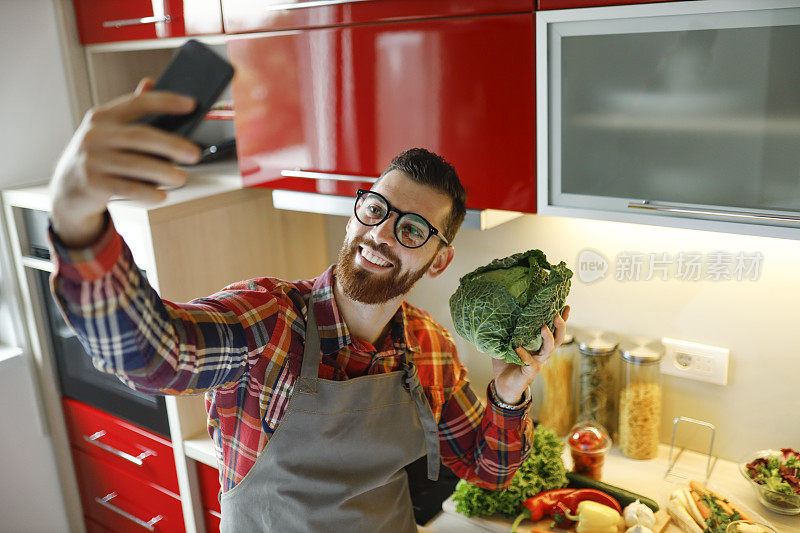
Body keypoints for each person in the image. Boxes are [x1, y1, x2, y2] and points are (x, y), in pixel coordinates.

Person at [48, 79, 570, 532]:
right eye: (375, 208)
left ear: (437, 262)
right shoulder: (269, 323)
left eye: (411, 229)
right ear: (354, 214)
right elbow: (149, 353)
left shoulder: (429, 348)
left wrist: (508, 392)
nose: (381, 233)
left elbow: (487, 470)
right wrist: (77, 222)